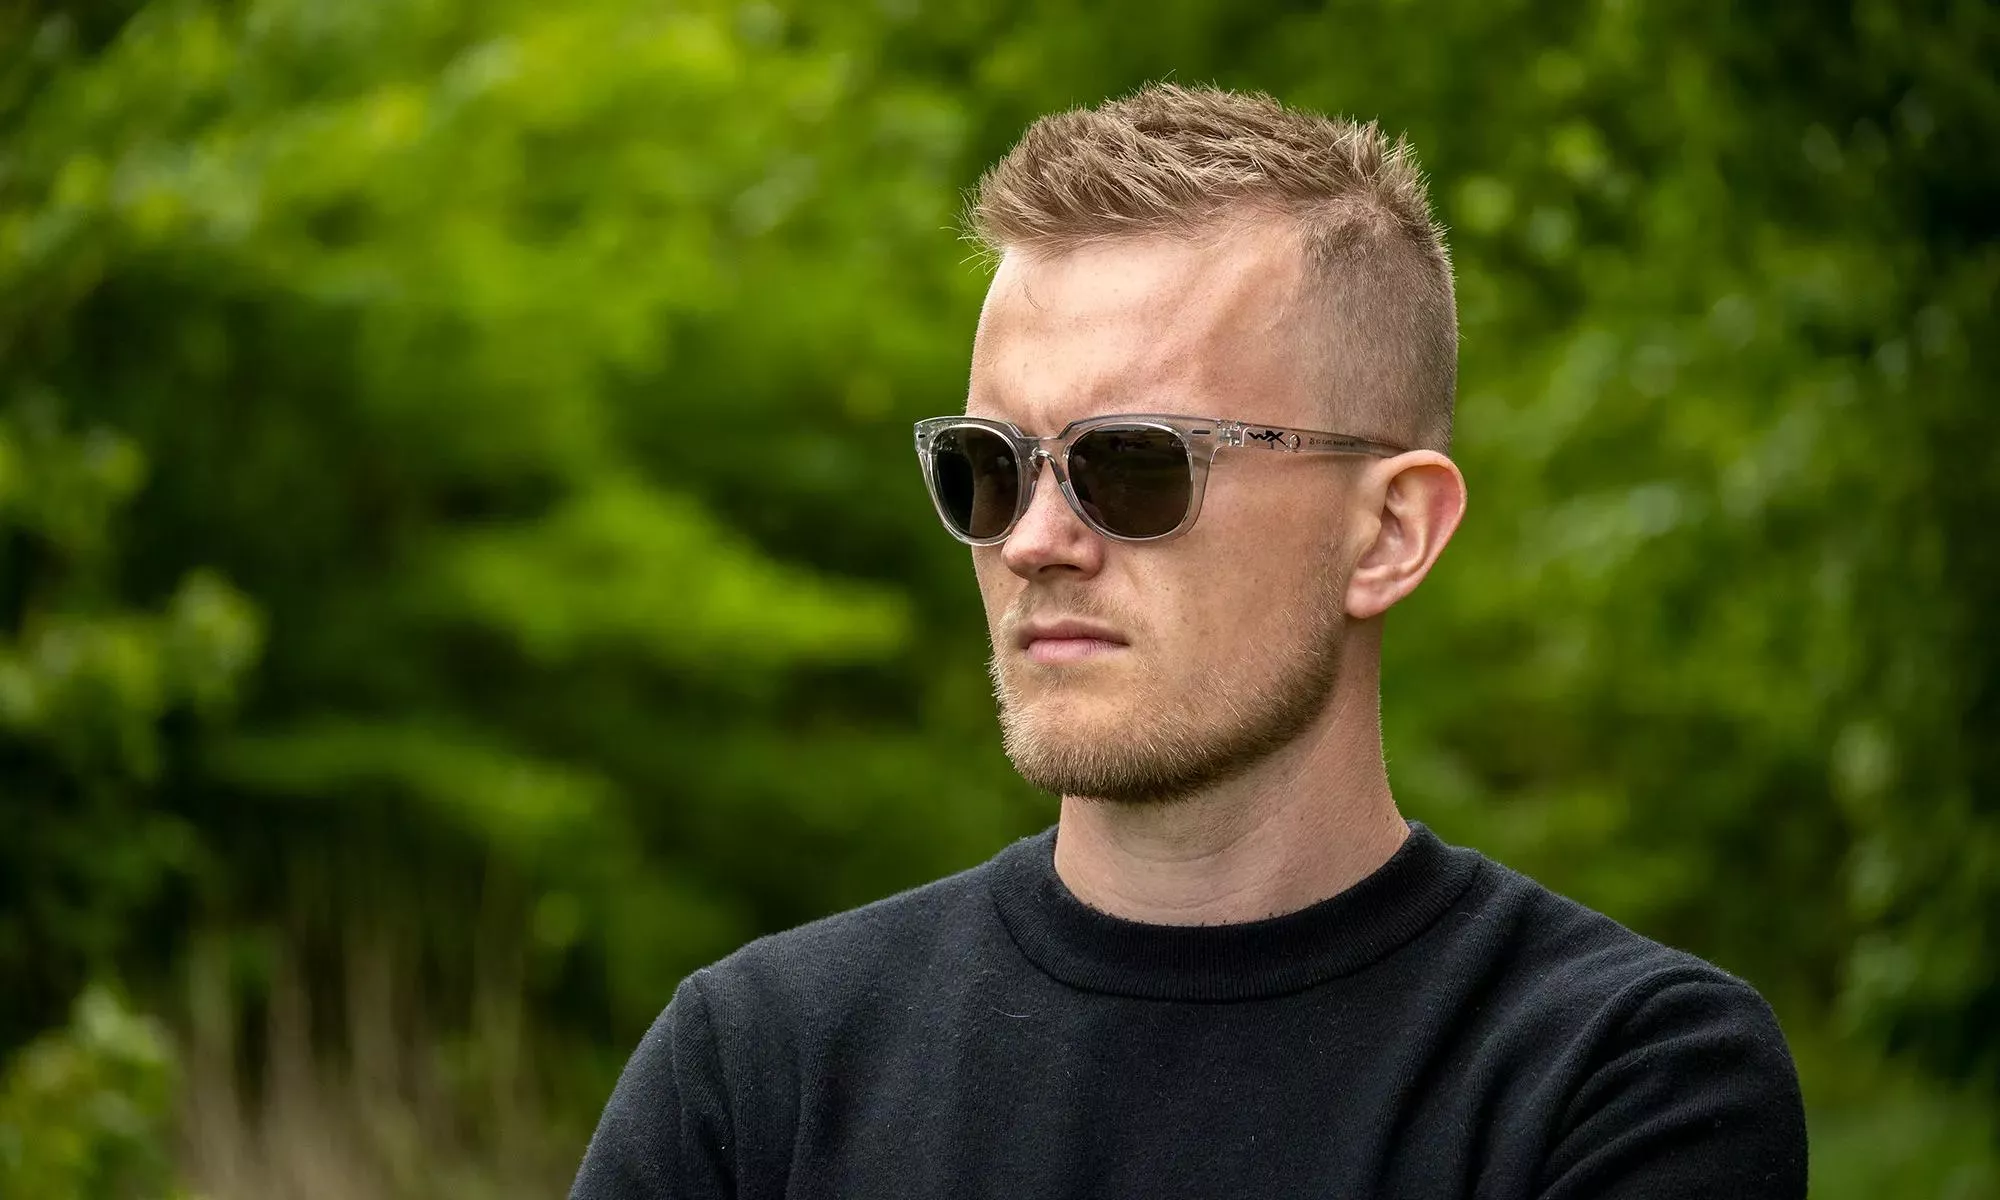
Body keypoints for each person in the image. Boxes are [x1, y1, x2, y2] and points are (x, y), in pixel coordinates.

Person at [570, 82, 1808, 1199]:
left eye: (1131, 464)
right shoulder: (760, 1069)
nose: (1033, 541)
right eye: (987, 467)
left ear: (1387, 533)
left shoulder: (1621, 1074)